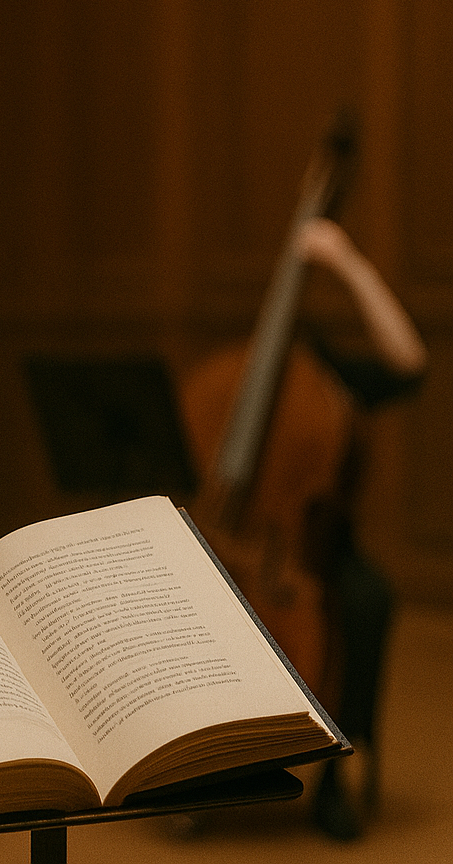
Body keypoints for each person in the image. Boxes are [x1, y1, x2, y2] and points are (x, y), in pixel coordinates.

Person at [291, 217, 425, 840]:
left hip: (317, 548)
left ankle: (337, 768)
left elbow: (408, 362)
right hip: (241, 545)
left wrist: (347, 262)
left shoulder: (330, 376)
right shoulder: (246, 372)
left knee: (367, 598)